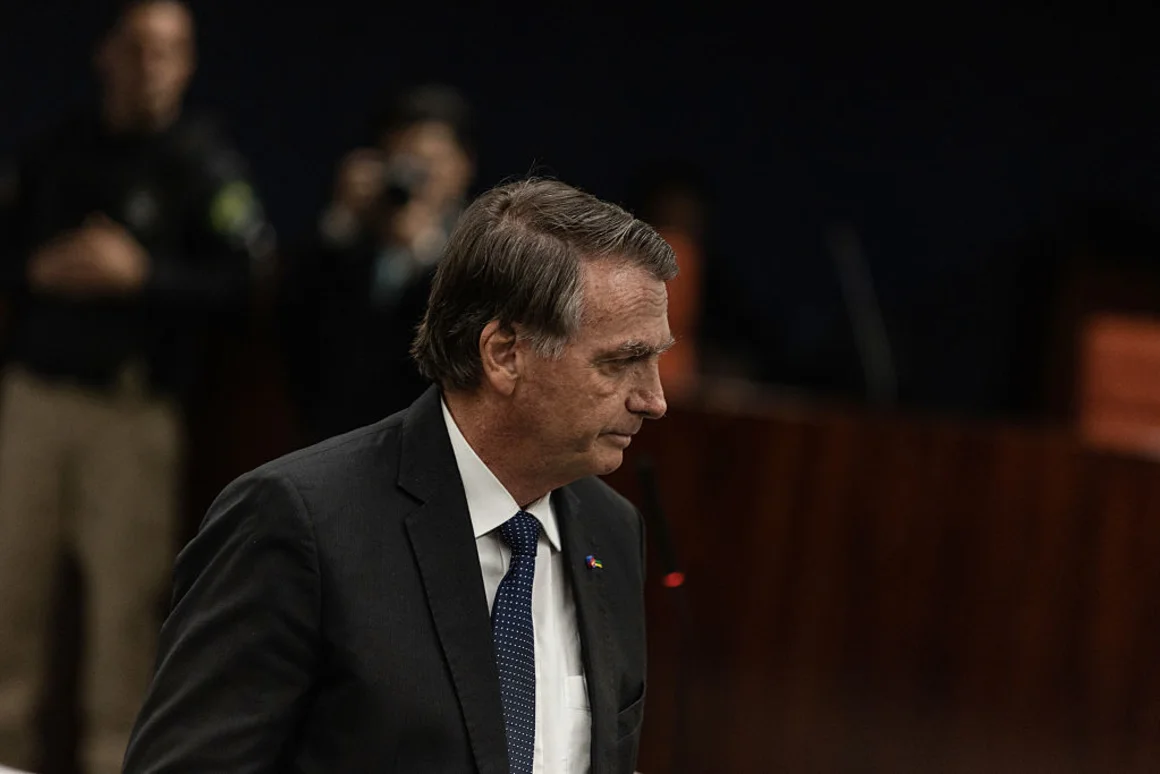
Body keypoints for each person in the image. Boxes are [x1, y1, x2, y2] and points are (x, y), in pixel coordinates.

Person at [123, 178, 675, 773]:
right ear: (504, 354)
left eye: (656, 359)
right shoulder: (298, 521)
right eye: (621, 361)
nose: (654, 399)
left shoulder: (612, 532)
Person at [0, 2, 269, 772]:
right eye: (138, 48)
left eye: (170, 52)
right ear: (107, 53)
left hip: (134, 413)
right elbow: (9, 249)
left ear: (186, 66)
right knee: (8, 602)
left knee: (124, 619)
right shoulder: (56, 149)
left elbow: (245, 282)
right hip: (35, 401)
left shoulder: (203, 161)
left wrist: (144, 276)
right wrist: (35, 270)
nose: (151, 66)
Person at [280, 84, 476, 443]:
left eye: (429, 165)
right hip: (338, 436)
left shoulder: (480, 253)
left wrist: (423, 250)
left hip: (433, 442)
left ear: (462, 166)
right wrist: (340, 220)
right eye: (404, 164)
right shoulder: (347, 246)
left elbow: (465, 354)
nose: (415, 180)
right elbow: (289, 318)